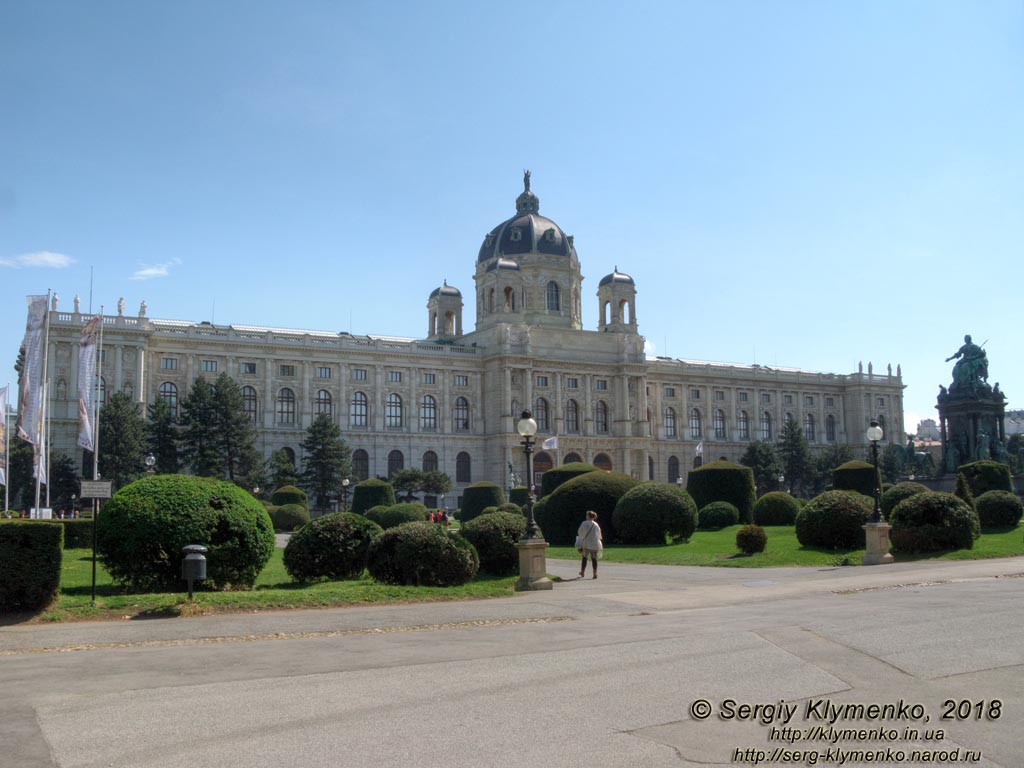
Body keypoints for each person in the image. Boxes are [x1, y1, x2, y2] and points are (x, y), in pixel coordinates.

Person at [576, 510, 602, 579]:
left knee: (584, 558)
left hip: (586, 544)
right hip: (594, 544)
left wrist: (581, 539)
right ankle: (595, 573)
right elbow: (599, 534)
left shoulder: (584, 523)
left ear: (588, 516)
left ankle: (582, 572)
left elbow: (580, 532)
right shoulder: (596, 524)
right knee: (594, 559)